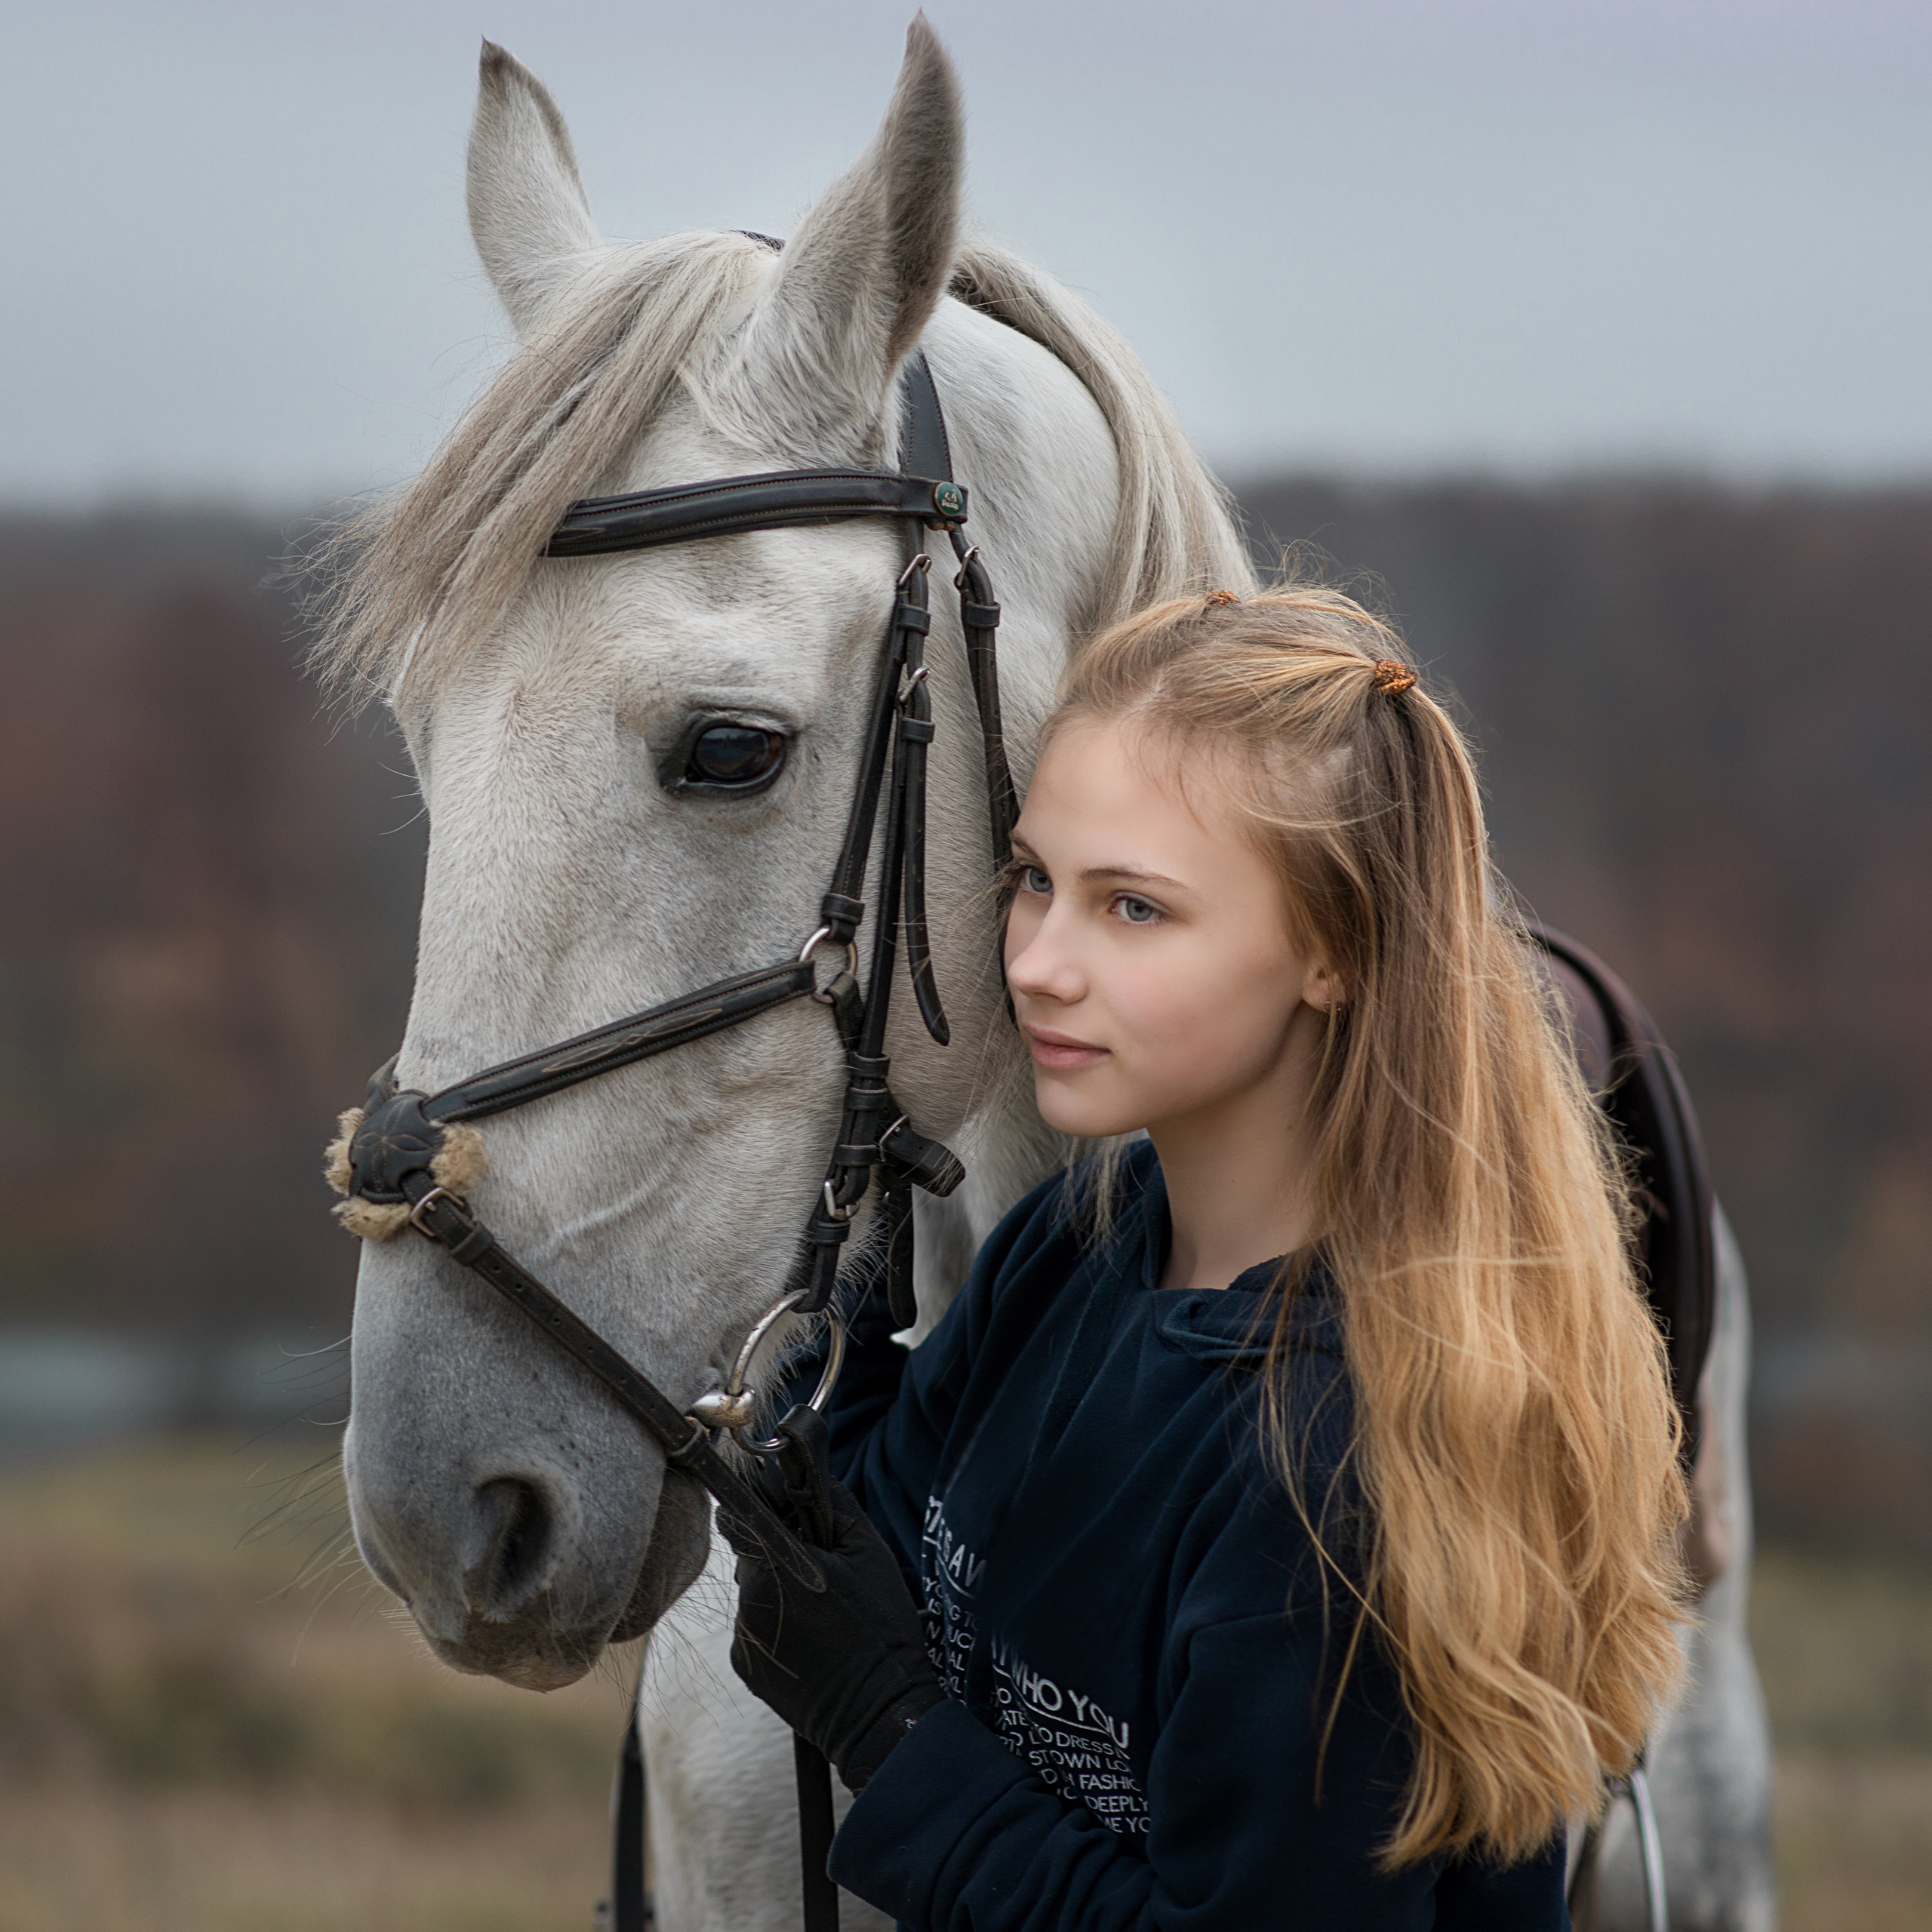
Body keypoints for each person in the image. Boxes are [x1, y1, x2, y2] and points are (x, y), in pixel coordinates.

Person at [723, 586, 1690, 1929]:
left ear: (1335, 952)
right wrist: (828, 1348)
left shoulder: (1340, 1477)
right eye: (1035, 880)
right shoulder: (1087, 1239)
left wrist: (891, 1733)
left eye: (1135, 910)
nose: (1042, 962)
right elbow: (909, 1537)